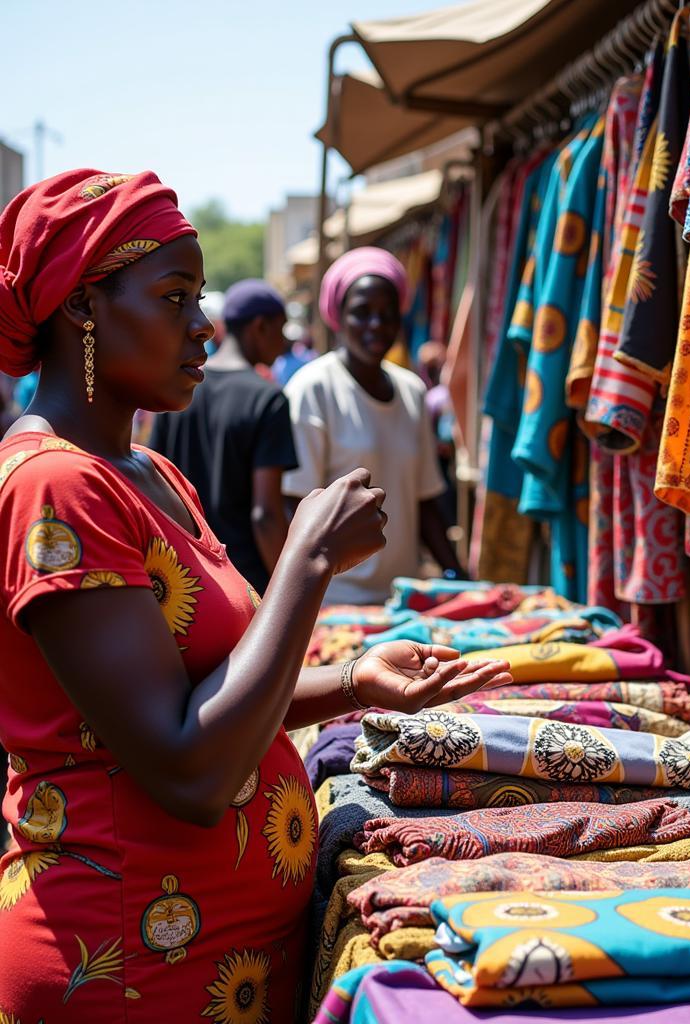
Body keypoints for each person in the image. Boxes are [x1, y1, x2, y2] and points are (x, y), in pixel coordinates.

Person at [0, 169, 511, 1021]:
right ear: (83, 305)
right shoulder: (55, 485)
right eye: (174, 297)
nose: (203, 328)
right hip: (128, 965)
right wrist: (306, 561)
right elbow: (187, 770)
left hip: (214, 958)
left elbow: (208, 690)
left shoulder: (148, 472)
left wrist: (352, 682)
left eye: (199, 298)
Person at [284, 247, 465, 605]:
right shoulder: (313, 389)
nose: (376, 326)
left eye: (387, 314)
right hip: (334, 601)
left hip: (402, 600)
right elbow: (293, 508)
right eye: (361, 313)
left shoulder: (412, 391)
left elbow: (425, 502)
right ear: (338, 316)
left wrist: (456, 577)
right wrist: (298, 599)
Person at [149, 278, 295, 595]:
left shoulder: (177, 389)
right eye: (281, 329)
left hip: (184, 577)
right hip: (247, 581)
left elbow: (153, 481)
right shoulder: (268, 399)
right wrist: (289, 591)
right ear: (260, 327)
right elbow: (266, 515)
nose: (284, 342)